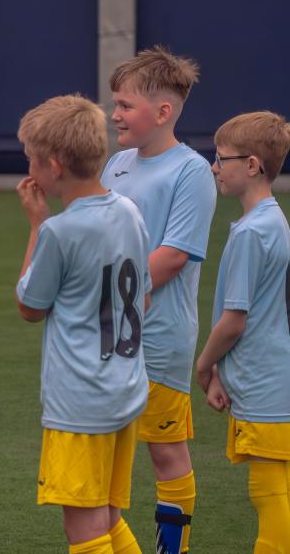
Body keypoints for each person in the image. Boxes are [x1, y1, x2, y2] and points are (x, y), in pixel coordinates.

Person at [16, 95, 151, 554]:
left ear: (53, 167)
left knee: (85, 528)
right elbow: (144, 294)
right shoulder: (129, 211)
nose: (28, 166)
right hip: (125, 386)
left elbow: (30, 305)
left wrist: (37, 224)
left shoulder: (61, 230)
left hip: (80, 401)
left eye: (31, 157)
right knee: (108, 516)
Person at [100, 46, 215, 554]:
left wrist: (110, 299)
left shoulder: (190, 172)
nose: (114, 114)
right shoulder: (117, 164)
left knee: (165, 452)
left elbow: (172, 257)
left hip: (159, 339)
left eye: (125, 106)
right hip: (108, 335)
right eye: (115, 104)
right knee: (103, 450)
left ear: (163, 112)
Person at [196, 111, 290, 554]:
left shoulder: (253, 232)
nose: (215, 167)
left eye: (221, 158)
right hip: (270, 376)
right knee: (275, 487)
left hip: (263, 381)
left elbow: (234, 321)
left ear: (251, 165)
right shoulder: (273, 220)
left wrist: (205, 364)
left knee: (269, 491)